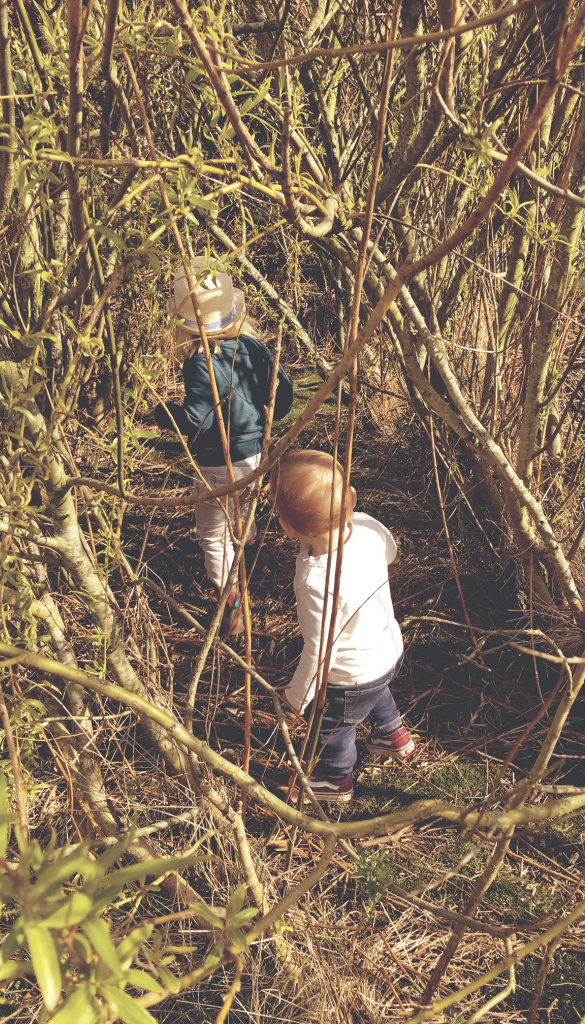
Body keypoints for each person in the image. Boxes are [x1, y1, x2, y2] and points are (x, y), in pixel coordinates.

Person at [154, 256, 293, 636]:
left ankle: (231, 598)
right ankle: (246, 554)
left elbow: (199, 421)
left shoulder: (200, 362)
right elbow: (282, 398)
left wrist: (167, 416)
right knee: (244, 507)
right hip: (254, 455)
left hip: (218, 462)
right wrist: (260, 415)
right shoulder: (255, 347)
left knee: (212, 534)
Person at [269, 450, 414, 803]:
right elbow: (391, 552)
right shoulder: (367, 526)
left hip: (350, 673)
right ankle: (393, 736)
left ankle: (336, 780)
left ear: (286, 526)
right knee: (377, 691)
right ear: (350, 498)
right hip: (387, 648)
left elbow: (320, 648)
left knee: (334, 725)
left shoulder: (315, 580)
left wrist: (298, 695)